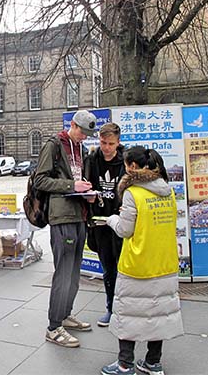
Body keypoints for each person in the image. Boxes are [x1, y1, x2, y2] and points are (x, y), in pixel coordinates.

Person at [101, 146, 184, 375]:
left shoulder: (133, 193)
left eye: (126, 165)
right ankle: (153, 362)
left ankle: (124, 364)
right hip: (164, 262)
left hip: (137, 264)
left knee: (130, 314)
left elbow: (125, 230)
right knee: (159, 315)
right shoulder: (168, 192)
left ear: (133, 167)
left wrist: (112, 219)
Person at [34, 110, 97, 348]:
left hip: (79, 214)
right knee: (63, 271)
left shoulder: (81, 149)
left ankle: (65, 314)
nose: (84, 137)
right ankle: (53, 326)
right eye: (82, 131)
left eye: (88, 133)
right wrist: (72, 185)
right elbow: (40, 180)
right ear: (72, 125)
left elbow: (78, 179)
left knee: (74, 271)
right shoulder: (54, 145)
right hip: (61, 217)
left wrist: (87, 193)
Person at [84, 123, 126, 327]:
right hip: (100, 222)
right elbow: (86, 183)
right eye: (103, 142)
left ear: (118, 142)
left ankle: (125, 307)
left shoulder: (126, 161)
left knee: (124, 268)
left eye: (111, 143)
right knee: (108, 268)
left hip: (121, 222)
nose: (107, 147)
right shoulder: (92, 160)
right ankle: (111, 307)